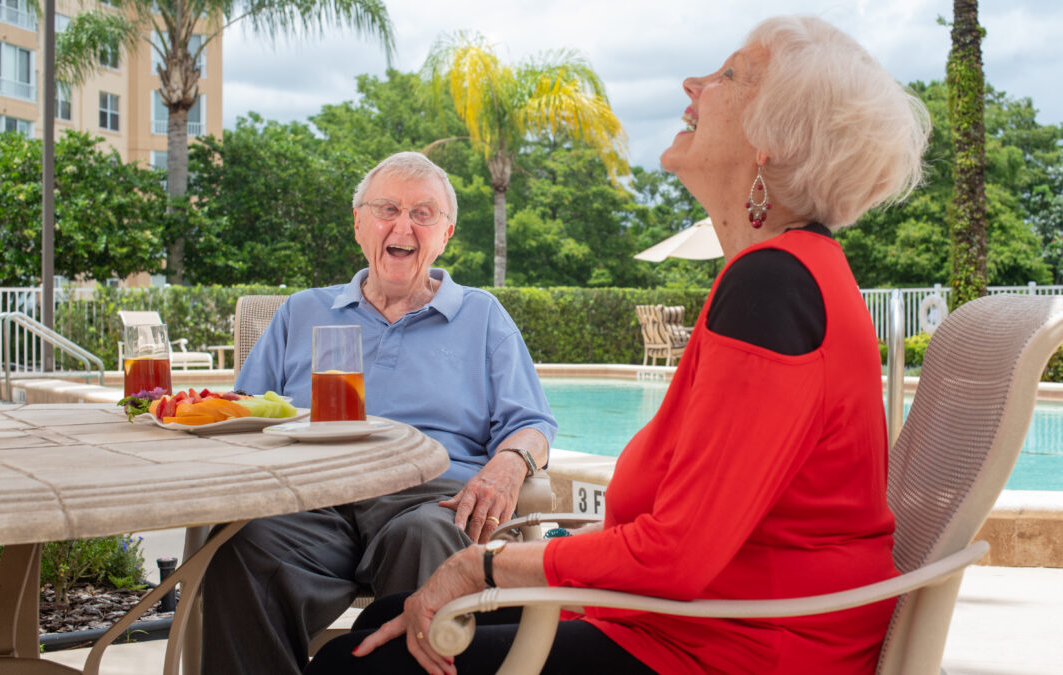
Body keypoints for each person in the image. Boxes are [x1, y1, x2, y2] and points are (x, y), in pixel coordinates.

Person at [305, 15, 931, 675]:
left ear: (771, 138)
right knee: (389, 616)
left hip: (729, 648)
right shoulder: (790, 272)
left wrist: (484, 563)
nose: (694, 83)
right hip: (701, 620)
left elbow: (678, 554)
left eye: (728, 76)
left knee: (357, 662)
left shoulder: (773, 286)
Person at [201, 151, 557, 675]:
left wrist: (508, 465)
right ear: (359, 224)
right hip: (313, 499)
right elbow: (244, 414)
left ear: (447, 234)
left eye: (423, 213)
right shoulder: (302, 311)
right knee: (241, 544)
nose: (403, 225)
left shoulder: (481, 315)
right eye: (387, 208)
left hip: (427, 499)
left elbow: (533, 423)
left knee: (429, 536)